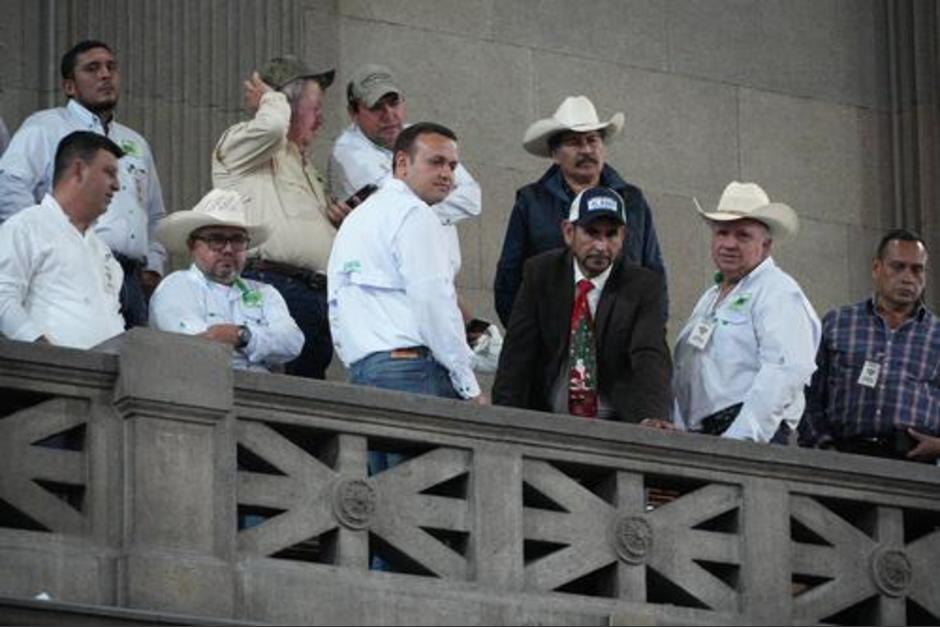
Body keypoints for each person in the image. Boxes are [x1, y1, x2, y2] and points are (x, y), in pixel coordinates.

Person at [0, 40, 166, 328]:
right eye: (92, 68)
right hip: (69, 267)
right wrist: (45, 240)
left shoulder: (136, 142)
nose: (105, 75)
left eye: (111, 67)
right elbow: (9, 185)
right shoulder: (45, 126)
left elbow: (154, 214)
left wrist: (153, 265)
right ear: (69, 86)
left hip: (131, 278)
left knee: (132, 368)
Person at [327, 122, 483, 404]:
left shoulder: (356, 219)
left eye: (452, 165)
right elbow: (433, 302)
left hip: (365, 371)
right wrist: (469, 385)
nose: (447, 174)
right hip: (415, 370)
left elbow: (336, 305)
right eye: (436, 162)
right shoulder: (415, 213)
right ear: (402, 163)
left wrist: (356, 360)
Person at [492, 186, 671, 421]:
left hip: (616, 420)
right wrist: (504, 419)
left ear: (624, 237)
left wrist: (654, 418)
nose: (601, 245)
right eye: (591, 232)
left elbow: (650, 356)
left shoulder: (643, 286)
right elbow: (516, 355)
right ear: (568, 232)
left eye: (611, 235)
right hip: (547, 417)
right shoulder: (540, 274)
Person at [213, 55, 341, 380]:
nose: (321, 119)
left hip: (316, 298)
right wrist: (271, 99)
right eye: (315, 108)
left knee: (308, 408)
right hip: (274, 288)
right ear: (287, 104)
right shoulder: (244, 144)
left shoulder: (304, 163)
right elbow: (271, 127)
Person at [494, 95, 666, 327]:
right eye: (574, 142)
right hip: (551, 338)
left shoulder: (632, 201)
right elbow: (509, 275)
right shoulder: (531, 202)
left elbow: (653, 271)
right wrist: (524, 337)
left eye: (592, 140)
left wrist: (651, 330)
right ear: (555, 154)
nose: (586, 150)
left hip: (621, 335)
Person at [671, 181, 820, 443]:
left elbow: (784, 372)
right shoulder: (710, 297)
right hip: (704, 436)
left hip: (748, 436)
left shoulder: (778, 291)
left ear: (765, 246)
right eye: (722, 233)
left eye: (743, 235)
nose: (729, 243)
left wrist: (741, 439)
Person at [328, 64, 482, 283]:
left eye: (394, 103)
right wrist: (436, 199)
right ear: (353, 113)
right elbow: (393, 207)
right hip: (389, 281)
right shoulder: (348, 152)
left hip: (437, 279)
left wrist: (421, 200)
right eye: (376, 107)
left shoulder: (418, 136)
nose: (389, 115)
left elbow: (472, 198)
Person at [799, 229, 940, 462]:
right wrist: (821, 447)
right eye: (898, 267)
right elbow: (809, 395)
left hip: (916, 462)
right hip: (845, 454)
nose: (908, 278)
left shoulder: (936, 335)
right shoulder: (838, 323)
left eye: (917, 269)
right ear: (877, 268)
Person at [149, 189, 303, 373]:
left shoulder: (265, 292)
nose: (228, 249)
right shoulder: (176, 286)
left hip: (261, 393)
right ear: (192, 245)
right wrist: (267, 350)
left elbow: (293, 342)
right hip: (200, 392)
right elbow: (196, 347)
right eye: (216, 240)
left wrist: (241, 336)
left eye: (237, 240)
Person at [0, 131, 125, 348]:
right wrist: (41, 347)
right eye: (109, 172)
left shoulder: (104, 252)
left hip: (109, 375)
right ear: (79, 170)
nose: (117, 185)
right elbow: (2, 297)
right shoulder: (26, 227)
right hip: (48, 374)